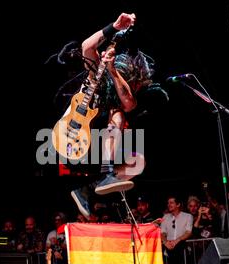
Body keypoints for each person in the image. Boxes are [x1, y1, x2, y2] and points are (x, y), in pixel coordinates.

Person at [69, 13, 161, 219]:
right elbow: (86, 47)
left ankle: (88, 189)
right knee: (117, 117)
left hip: (102, 151)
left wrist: (113, 70)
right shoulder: (96, 74)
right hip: (79, 139)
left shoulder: (127, 90)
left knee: (139, 162)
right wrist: (114, 26)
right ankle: (106, 174)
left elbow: (128, 102)